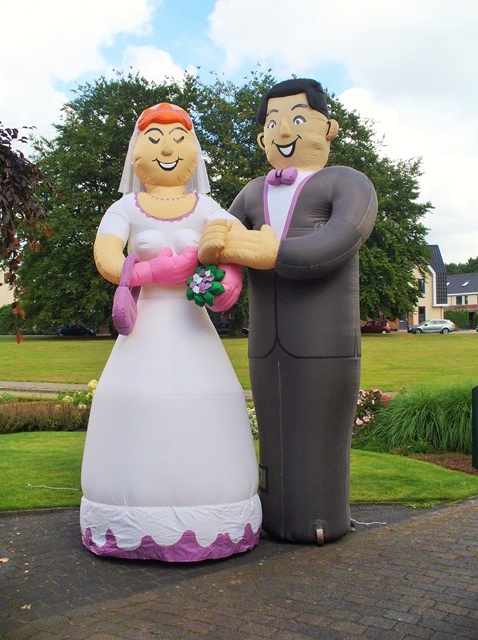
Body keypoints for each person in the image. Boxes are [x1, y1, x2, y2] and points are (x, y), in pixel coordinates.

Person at [199, 79, 378, 545]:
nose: (284, 131)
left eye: (298, 118)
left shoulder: (347, 182)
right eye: (274, 122)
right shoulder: (251, 193)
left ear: (328, 128)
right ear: (263, 137)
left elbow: (337, 241)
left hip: (324, 343)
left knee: (318, 431)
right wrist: (214, 254)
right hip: (266, 342)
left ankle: (321, 516)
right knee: (274, 431)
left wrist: (270, 251)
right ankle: (274, 514)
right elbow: (224, 250)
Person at [80, 102, 261, 562]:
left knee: (206, 409)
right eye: (156, 138)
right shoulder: (125, 207)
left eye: (179, 139)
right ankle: (129, 521)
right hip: (143, 331)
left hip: (193, 327)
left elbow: (235, 246)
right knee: (136, 410)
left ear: (193, 151)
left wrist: (228, 283)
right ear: (137, 151)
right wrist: (150, 272)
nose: (167, 148)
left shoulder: (208, 208)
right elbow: (106, 257)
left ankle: (216, 518)